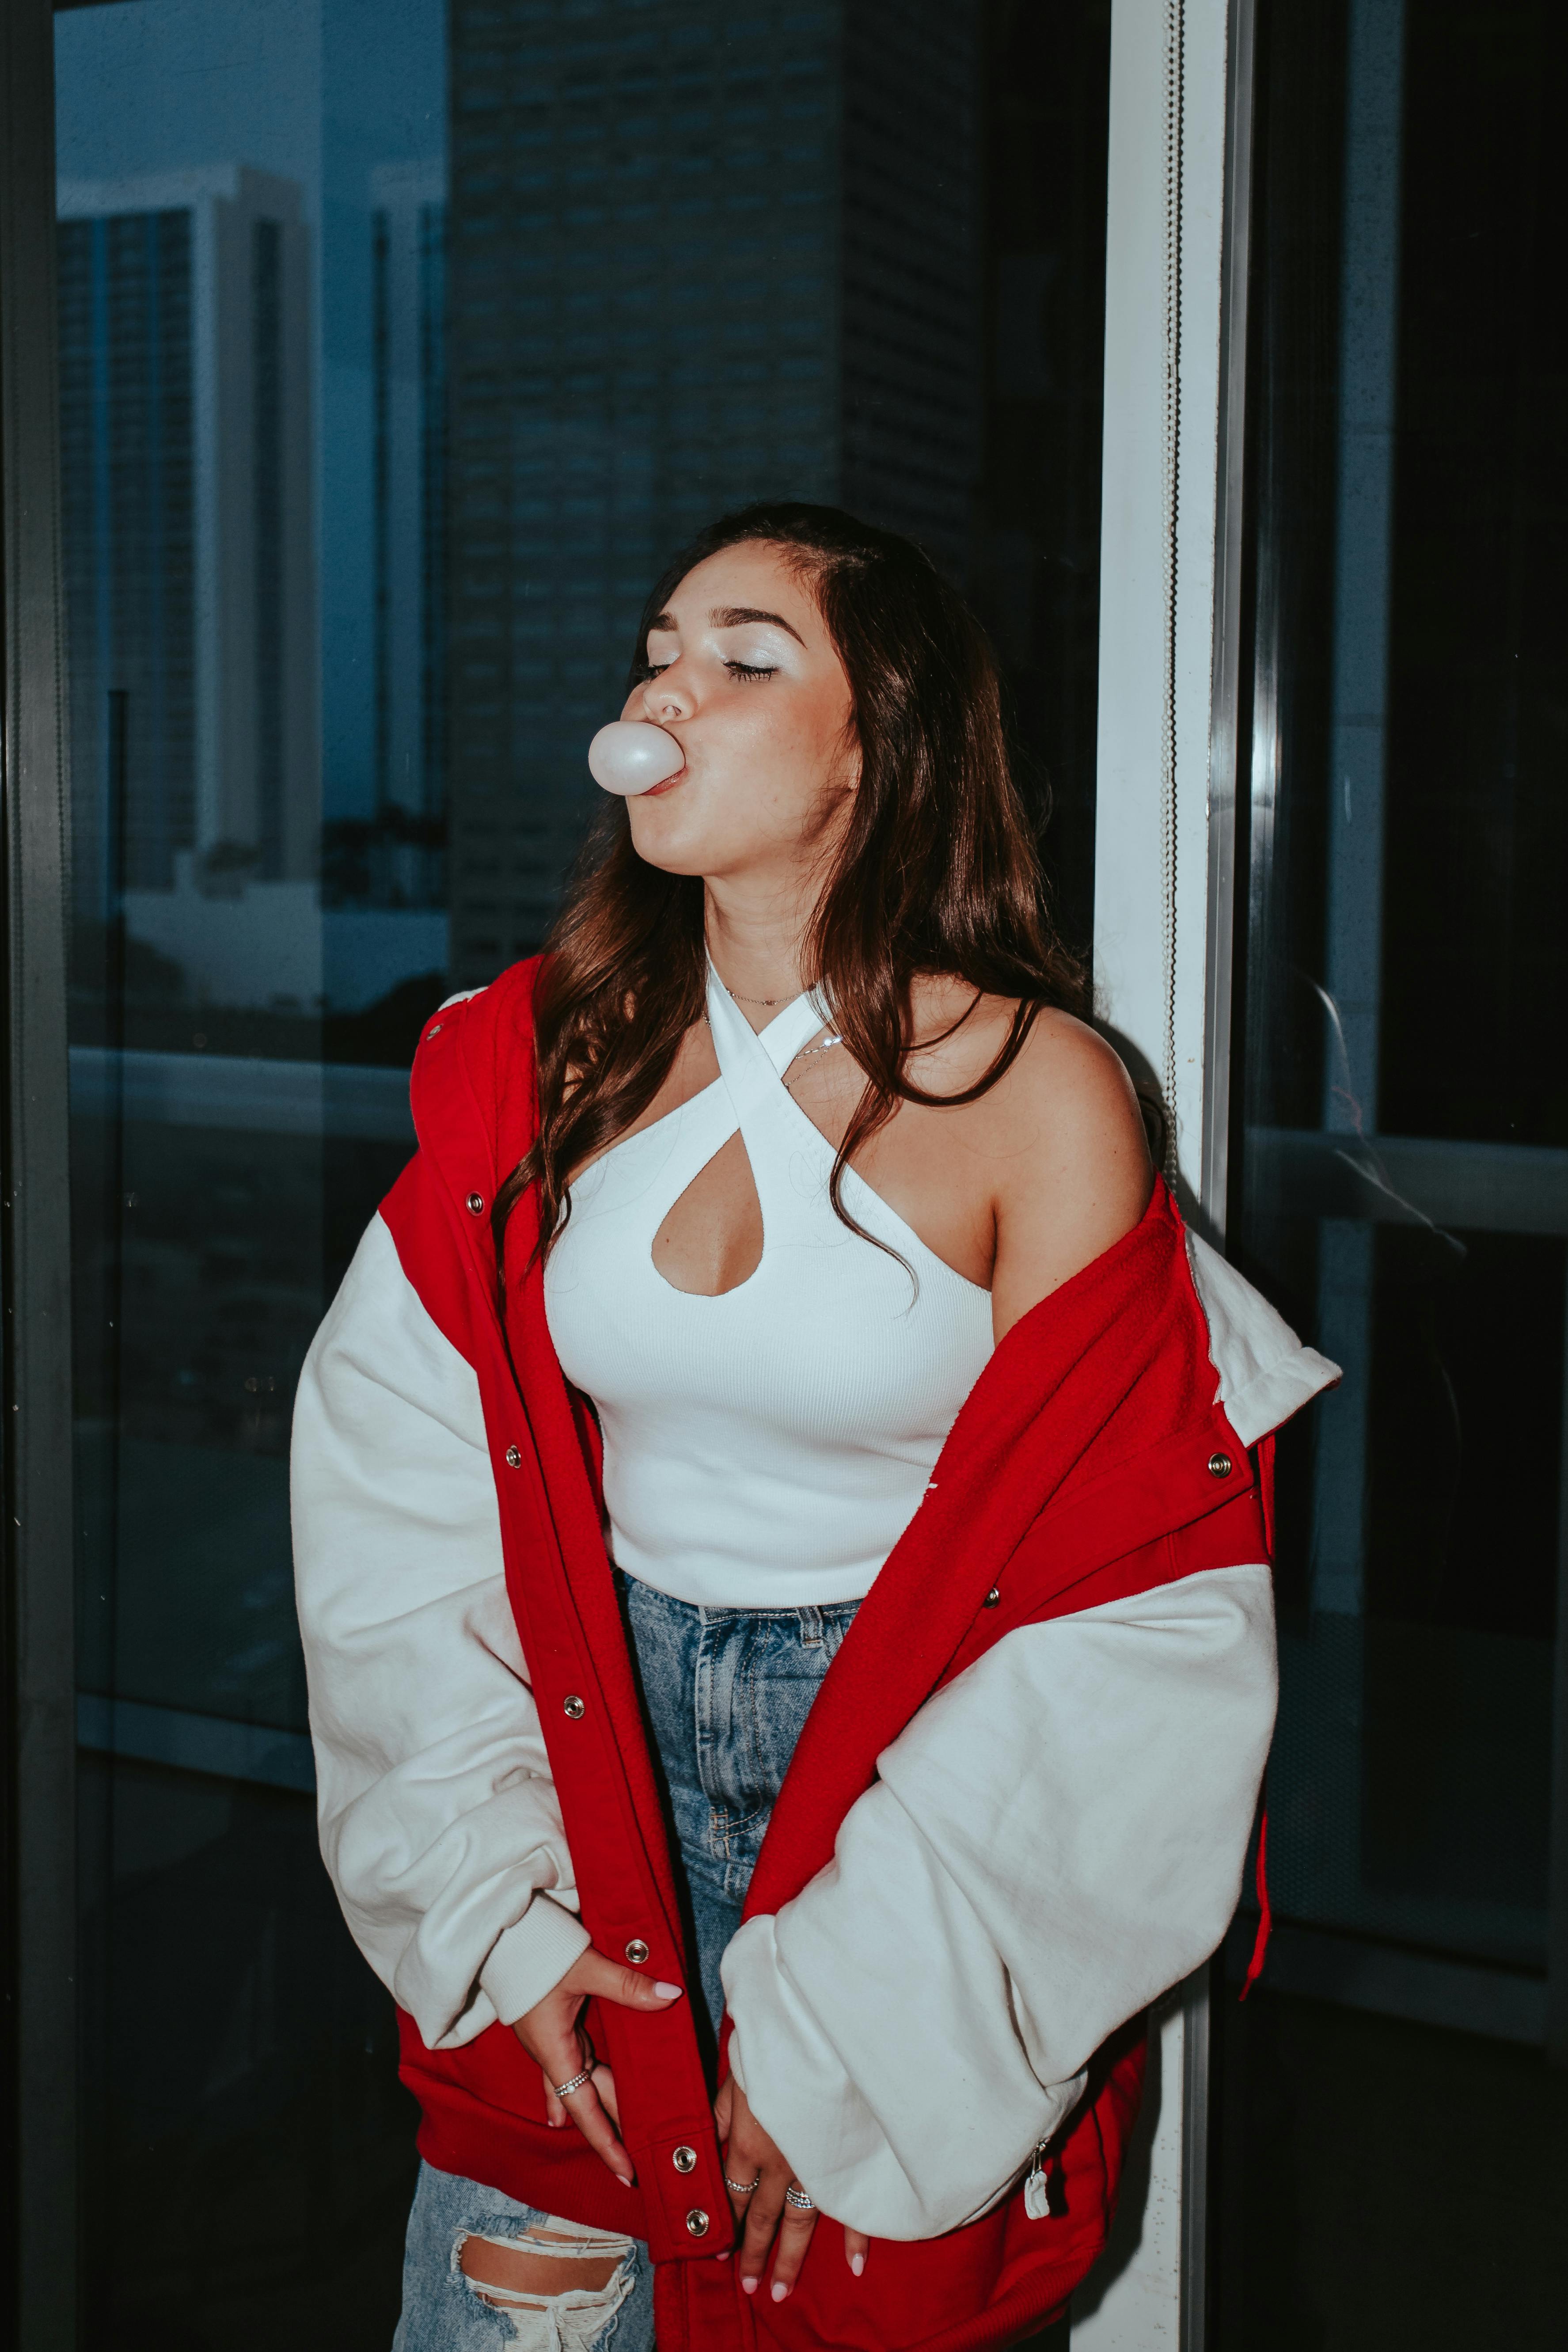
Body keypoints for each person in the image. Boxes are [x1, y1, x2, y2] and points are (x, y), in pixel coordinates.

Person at [292, 503, 1336, 2352]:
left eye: (743, 654)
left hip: (895, 1808)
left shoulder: (1037, 1090)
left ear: (887, 741)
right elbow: (401, 1482)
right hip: (576, 1781)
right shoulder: (555, 1057)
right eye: (658, 646)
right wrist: (496, 1907)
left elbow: (1121, 1593)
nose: (660, 688)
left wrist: (872, 2024)